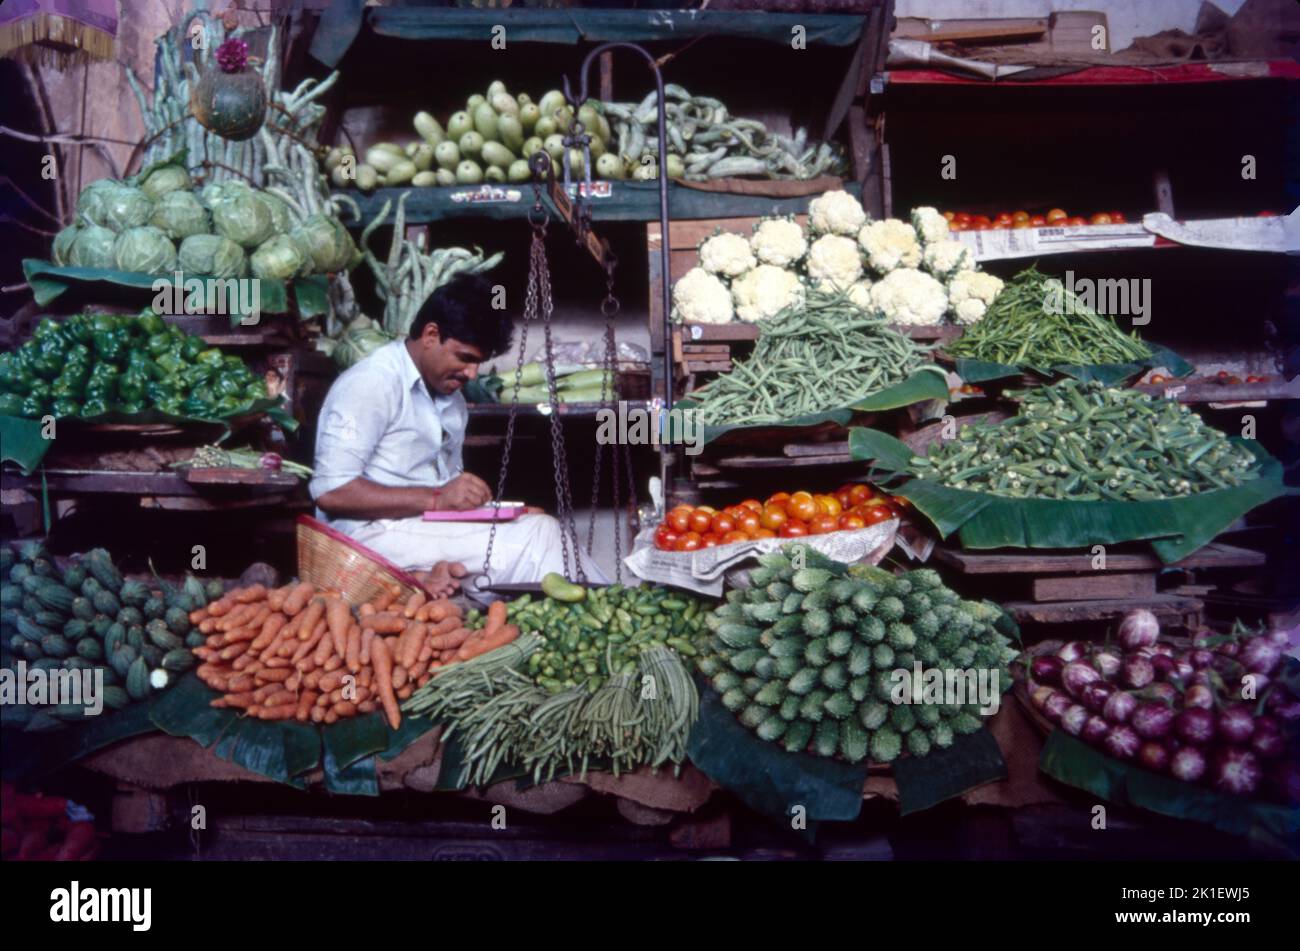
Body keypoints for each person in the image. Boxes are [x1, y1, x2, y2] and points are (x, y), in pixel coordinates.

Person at [309, 274, 605, 596]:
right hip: (366, 537)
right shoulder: (372, 383)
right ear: (431, 335)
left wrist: (501, 514)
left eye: (480, 362)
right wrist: (436, 499)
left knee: (539, 527)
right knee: (534, 542)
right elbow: (332, 492)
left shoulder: (451, 399)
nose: (472, 374)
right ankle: (612, 621)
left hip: (416, 526)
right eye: (465, 358)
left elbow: (447, 497)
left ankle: (609, 616)